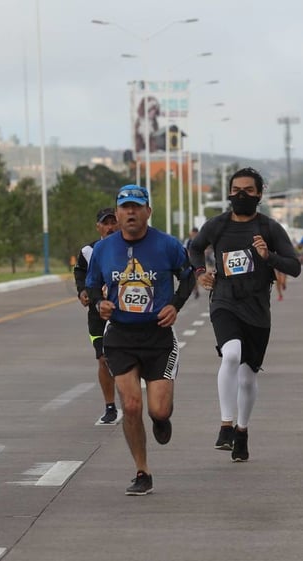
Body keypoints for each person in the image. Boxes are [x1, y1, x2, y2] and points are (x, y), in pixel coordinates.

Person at [86, 184, 195, 495]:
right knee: (131, 406)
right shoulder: (104, 249)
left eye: (136, 207)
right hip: (120, 335)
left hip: (158, 336)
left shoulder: (168, 245)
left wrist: (175, 304)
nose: (130, 212)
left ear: (148, 211)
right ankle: (142, 471)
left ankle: (161, 420)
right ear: (117, 213)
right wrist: (99, 303)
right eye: (125, 207)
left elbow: (187, 276)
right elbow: (93, 285)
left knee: (158, 410)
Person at [188, 167, 301, 462]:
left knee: (248, 378)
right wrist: (201, 272)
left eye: (248, 191)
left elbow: (294, 267)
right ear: (228, 193)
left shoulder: (269, 228)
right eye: (235, 190)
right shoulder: (218, 226)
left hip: (257, 309)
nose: (240, 195)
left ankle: (242, 430)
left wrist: (268, 257)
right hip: (224, 300)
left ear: (259, 194)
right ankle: (225, 425)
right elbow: (195, 248)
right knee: (231, 354)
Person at [74, 207, 121, 425]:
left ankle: (132, 397)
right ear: (99, 227)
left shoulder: (130, 247)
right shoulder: (88, 251)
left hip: (125, 313)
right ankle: (110, 406)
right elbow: (80, 272)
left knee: (125, 360)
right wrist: (82, 291)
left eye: (114, 222)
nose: (110, 227)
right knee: (103, 359)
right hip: (97, 314)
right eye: (106, 223)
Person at [184, 227, 201, 299]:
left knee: (198, 276)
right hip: (191, 261)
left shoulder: (200, 240)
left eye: (195, 233)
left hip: (199, 261)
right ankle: (196, 290)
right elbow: (185, 250)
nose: (193, 234)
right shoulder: (188, 241)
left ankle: (196, 289)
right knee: (193, 277)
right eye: (192, 233)